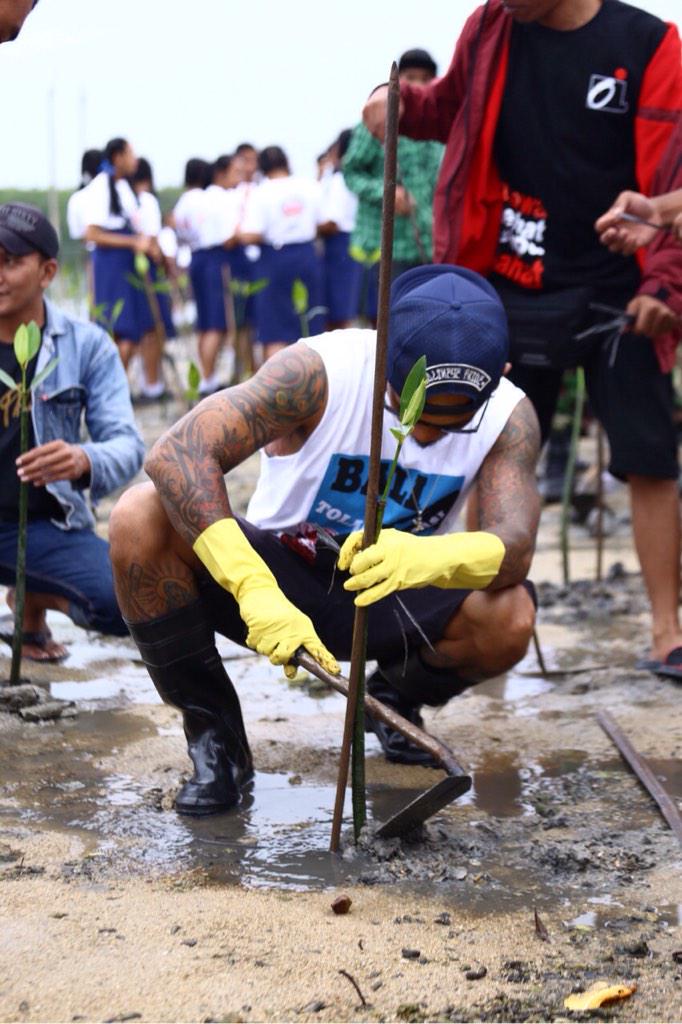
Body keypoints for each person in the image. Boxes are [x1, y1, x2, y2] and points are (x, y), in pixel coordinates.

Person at [109, 264, 540, 815]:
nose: (427, 436)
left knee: (509, 617)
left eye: (450, 426)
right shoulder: (318, 372)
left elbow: (517, 545)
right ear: (383, 359)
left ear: (498, 375)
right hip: (282, 575)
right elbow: (176, 453)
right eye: (413, 414)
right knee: (137, 514)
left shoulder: (509, 414)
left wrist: (423, 555)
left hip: (393, 585)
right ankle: (216, 739)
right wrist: (252, 586)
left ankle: (395, 698)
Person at [363, 0, 682, 674]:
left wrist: (663, 286)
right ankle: (480, 622)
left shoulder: (650, 45)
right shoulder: (490, 27)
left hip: (617, 290)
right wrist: (393, 105)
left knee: (650, 458)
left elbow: (671, 180)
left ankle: (666, 632)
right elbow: (446, 107)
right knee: (490, 450)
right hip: (509, 279)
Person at [0, 203, 144, 662]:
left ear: (47, 272)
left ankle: (32, 597)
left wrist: (84, 460)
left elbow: (127, 444)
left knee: (130, 607)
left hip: (43, 526)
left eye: (10, 262)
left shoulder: (88, 346)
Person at [343, 48, 444, 324]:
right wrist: (387, 192)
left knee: (425, 322)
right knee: (382, 326)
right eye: (411, 77)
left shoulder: (440, 124)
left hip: (428, 243)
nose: (419, 84)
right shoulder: (378, 120)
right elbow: (351, 171)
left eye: (426, 78)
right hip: (384, 245)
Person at [82, 138, 165, 403]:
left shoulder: (123, 187)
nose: (135, 159)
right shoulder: (99, 188)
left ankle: (117, 392)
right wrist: (132, 242)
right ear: (117, 156)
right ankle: (109, 394)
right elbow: (92, 233)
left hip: (128, 263)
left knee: (135, 329)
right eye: (130, 154)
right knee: (120, 329)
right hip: (111, 265)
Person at [239, 145, 324, 361]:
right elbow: (324, 222)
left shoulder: (261, 192)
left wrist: (238, 234)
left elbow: (252, 233)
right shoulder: (308, 186)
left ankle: (275, 389)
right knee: (310, 325)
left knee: (274, 329)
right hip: (306, 254)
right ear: (286, 162)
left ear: (262, 167)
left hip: (274, 258)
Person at [318, 129, 362, 330]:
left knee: (339, 311)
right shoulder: (355, 179)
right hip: (352, 243)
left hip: (339, 247)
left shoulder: (339, 180)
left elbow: (332, 222)